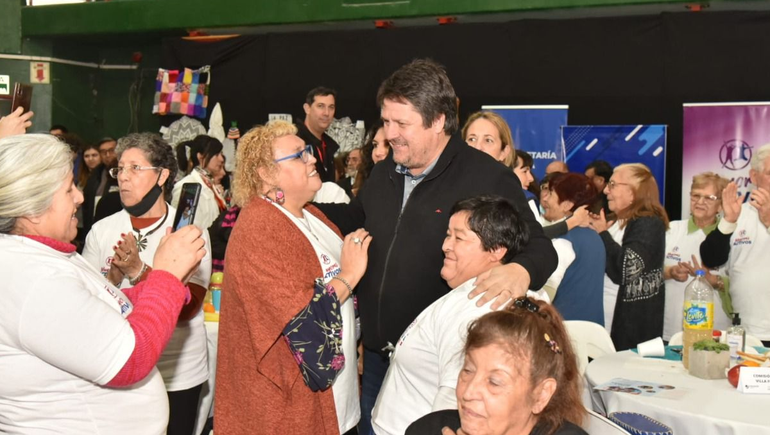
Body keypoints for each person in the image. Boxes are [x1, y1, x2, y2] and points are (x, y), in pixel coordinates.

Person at [316, 59, 557, 434]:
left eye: (402, 124)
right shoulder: (385, 172)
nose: (390, 133)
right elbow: (354, 216)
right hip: (381, 357)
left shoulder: (487, 176)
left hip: (443, 371)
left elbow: (541, 247)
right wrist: (296, 208)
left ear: (440, 120)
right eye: (386, 121)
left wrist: (518, 270)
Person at [0, 134, 206, 434]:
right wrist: (165, 278)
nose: (80, 198)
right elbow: (131, 360)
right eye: (69, 189)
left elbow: (106, 304)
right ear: (34, 207)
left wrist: (163, 283)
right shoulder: (37, 280)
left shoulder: (40, 256)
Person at [215, 120, 371, 435]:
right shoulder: (260, 228)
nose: (312, 158)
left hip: (335, 402)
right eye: (299, 155)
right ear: (266, 173)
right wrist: (350, 275)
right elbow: (300, 320)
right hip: (288, 409)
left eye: (309, 151)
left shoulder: (310, 214)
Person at [372, 195, 549, 435]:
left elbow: (455, 404)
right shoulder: (473, 292)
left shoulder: (481, 308)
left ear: (496, 251)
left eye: (459, 237)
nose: (446, 245)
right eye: (448, 235)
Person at [83, 133, 212, 435]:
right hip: (120, 366)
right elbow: (86, 307)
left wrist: (140, 271)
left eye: (135, 168)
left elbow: (189, 307)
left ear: (162, 175)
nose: (123, 178)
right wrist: (111, 281)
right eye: (120, 169)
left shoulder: (189, 233)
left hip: (178, 373)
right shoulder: (102, 231)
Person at [406, 297, 587, 435]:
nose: (468, 393)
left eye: (494, 382)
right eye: (468, 371)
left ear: (541, 395)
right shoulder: (428, 429)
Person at [588, 163, 668, 350]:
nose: (606, 190)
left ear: (634, 192)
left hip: (629, 333)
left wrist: (602, 235)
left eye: (613, 185)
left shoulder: (648, 223)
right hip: (607, 326)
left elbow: (626, 270)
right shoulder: (615, 221)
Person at [701, 144, 770, 346]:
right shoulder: (739, 213)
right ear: (754, 176)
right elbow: (711, 259)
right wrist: (728, 221)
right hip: (747, 333)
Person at [663, 172, 731, 341]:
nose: (700, 202)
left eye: (709, 198)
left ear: (721, 206)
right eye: (696, 196)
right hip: (670, 331)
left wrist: (712, 279)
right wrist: (670, 272)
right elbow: (650, 271)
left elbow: (741, 285)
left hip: (716, 331)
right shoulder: (671, 229)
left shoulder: (730, 236)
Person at [541, 173, 605, 324]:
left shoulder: (562, 242)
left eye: (550, 194)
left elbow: (544, 296)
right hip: (594, 333)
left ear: (567, 205)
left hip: (564, 334)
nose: (545, 199)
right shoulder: (596, 237)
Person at [172, 134, 227, 230]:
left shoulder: (211, 185)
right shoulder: (187, 187)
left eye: (221, 154)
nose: (221, 159)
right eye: (216, 154)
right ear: (200, 157)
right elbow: (183, 229)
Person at [296, 86, 340, 182]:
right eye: (320, 106)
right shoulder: (294, 141)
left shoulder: (328, 145)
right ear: (307, 108)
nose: (326, 113)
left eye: (331, 107)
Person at [81, 137, 119, 236]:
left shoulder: (124, 173)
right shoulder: (95, 174)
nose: (107, 155)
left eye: (111, 150)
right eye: (103, 152)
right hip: (95, 224)